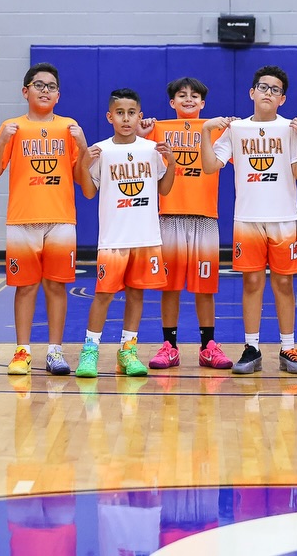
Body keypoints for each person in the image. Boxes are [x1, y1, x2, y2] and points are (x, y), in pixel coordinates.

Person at [201, 66, 297, 375]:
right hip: (248, 218)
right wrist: (205, 132)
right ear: (252, 92)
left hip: (283, 217)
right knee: (251, 283)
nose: (268, 93)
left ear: (282, 99)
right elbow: (210, 166)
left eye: (275, 90)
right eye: (263, 87)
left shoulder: (290, 128)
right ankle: (251, 347)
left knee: (284, 283)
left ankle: (288, 347)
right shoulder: (236, 129)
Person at [0, 63, 91, 377]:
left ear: (58, 95)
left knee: (56, 287)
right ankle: (22, 351)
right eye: (39, 85)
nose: (45, 90)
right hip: (22, 219)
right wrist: (1, 142)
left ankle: (55, 351)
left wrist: (83, 146)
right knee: (25, 287)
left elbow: (80, 177)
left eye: (51, 86)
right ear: (25, 91)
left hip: (60, 219)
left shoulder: (69, 127)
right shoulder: (12, 127)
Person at [75, 88, 176, 378]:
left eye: (131, 113)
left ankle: (128, 351)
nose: (126, 118)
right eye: (120, 113)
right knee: (103, 295)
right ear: (110, 117)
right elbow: (89, 192)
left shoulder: (151, 149)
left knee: (136, 294)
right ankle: (90, 351)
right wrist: (84, 164)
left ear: (139, 116)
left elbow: (165, 189)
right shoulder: (101, 151)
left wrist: (172, 163)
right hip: (113, 238)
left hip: (145, 236)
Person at [143, 77, 232, 370]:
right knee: (170, 287)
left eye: (195, 95)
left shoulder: (217, 129)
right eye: (182, 95)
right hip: (169, 216)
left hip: (205, 218)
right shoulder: (157, 129)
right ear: (172, 102)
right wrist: (144, 130)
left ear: (203, 103)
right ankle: (169, 346)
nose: (189, 99)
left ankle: (208, 346)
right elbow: (134, 148)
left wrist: (236, 126)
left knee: (205, 288)